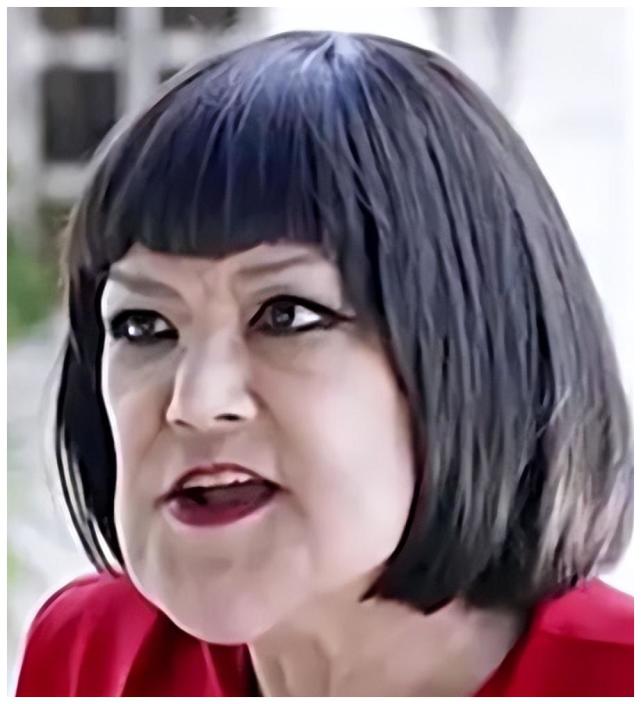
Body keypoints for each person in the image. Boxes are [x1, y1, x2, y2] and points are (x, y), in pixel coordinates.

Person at [15, 31, 633, 696]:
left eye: (286, 315)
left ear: (474, 356)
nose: (195, 402)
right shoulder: (90, 655)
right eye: (144, 326)